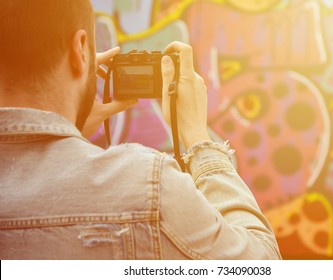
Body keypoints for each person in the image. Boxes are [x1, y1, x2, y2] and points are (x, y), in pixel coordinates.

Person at [0, 0, 281, 260]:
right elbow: (261, 263)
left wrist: (67, 127)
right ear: (80, 48)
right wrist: (199, 140)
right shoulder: (148, 187)